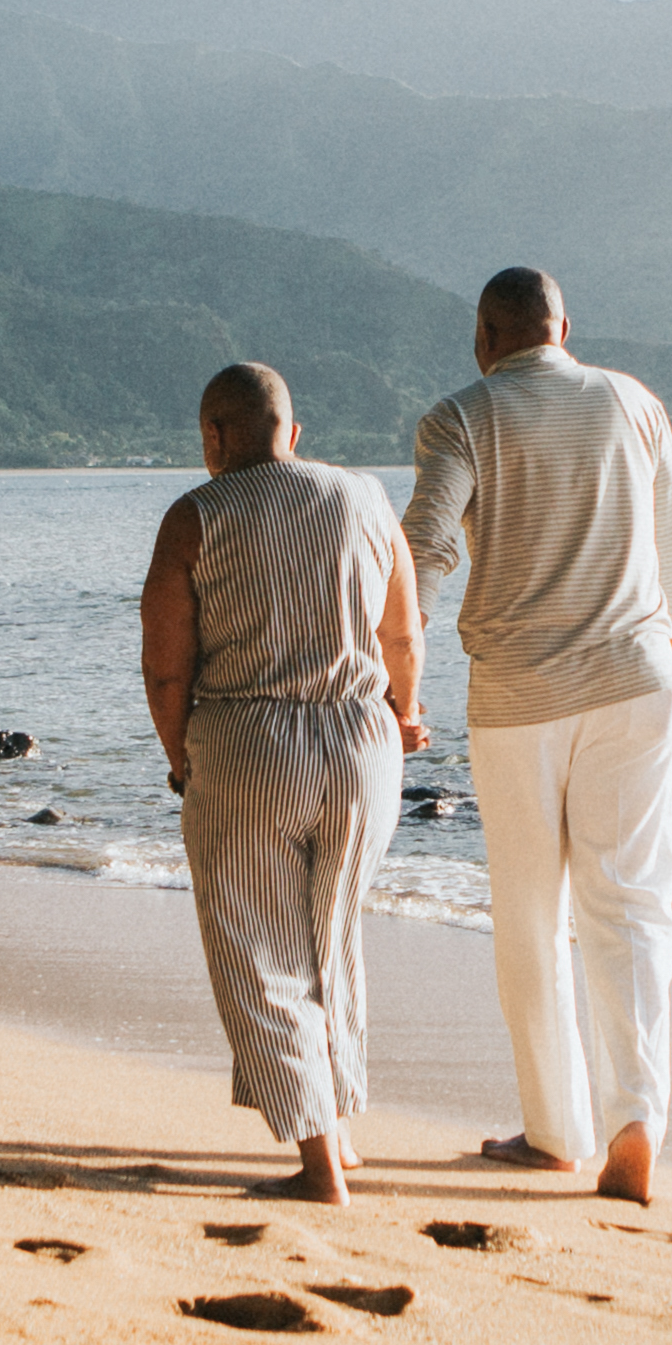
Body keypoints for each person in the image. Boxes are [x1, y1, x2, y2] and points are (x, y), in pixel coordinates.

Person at [402, 266, 672, 1204]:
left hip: (520, 697)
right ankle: (635, 1120)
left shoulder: (460, 416)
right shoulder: (634, 401)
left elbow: (426, 549)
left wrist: (397, 687)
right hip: (638, 681)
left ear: (485, 337)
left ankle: (553, 1133)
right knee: (632, 907)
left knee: (532, 918)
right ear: (564, 328)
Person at [140, 361, 425, 1204]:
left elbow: (166, 667)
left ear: (214, 439)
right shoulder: (366, 498)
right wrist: (404, 716)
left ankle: (318, 1168)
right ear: (294, 436)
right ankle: (339, 1128)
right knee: (331, 939)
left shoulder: (196, 516)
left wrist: (179, 757)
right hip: (361, 746)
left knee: (260, 953)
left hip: (247, 739)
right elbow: (402, 636)